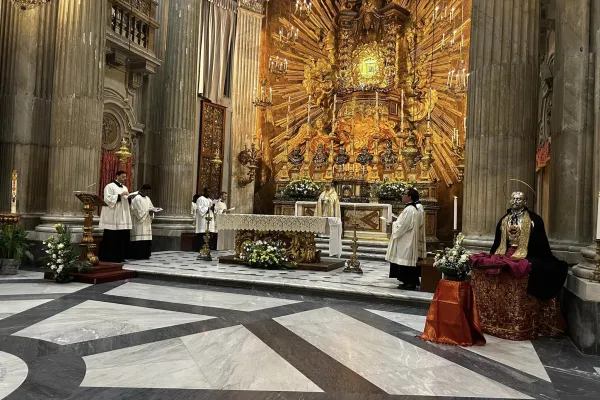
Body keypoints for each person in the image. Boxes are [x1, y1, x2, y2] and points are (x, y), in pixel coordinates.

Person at [386, 187, 423, 290]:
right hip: (406, 238)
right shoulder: (410, 208)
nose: (402, 196)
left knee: (405, 260)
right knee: (404, 260)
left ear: (409, 197)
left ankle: (409, 282)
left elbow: (403, 226)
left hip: (407, 240)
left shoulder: (410, 210)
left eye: (404, 195)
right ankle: (406, 281)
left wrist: (393, 224)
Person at [99, 170, 132, 263]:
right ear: (117, 176)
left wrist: (130, 198)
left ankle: (120, 257)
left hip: (122, 215)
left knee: (121, 237)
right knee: (112, 237)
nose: (124, 179)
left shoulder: (125, 187)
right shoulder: (109, 186)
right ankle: (110, 257)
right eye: (122, 177)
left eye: (125, 177)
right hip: (113, 216)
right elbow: (107, 199)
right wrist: (120, 195)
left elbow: (126, 201)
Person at [129, 184, 154, 259]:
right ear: (142, 190)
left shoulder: (148, 199)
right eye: (147, 191)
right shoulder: (137, 198)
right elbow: (138, 211)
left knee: (146, 239)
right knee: (139, 239)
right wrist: (147, 212)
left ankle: (145, 254)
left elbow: (151, 207)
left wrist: (152, 212)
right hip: (138, 222)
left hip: (146, 221)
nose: (148, 193)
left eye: (149, 192)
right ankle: (138, 255)